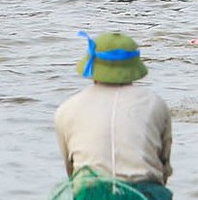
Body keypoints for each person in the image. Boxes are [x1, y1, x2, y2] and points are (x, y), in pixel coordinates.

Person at [57, 33, 173, 199]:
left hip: (90, 193)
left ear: (92, 66)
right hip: (144, 193)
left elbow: (71, 170)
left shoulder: (67, 108)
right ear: (134, 67)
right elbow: (164, 166)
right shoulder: (155, 104)